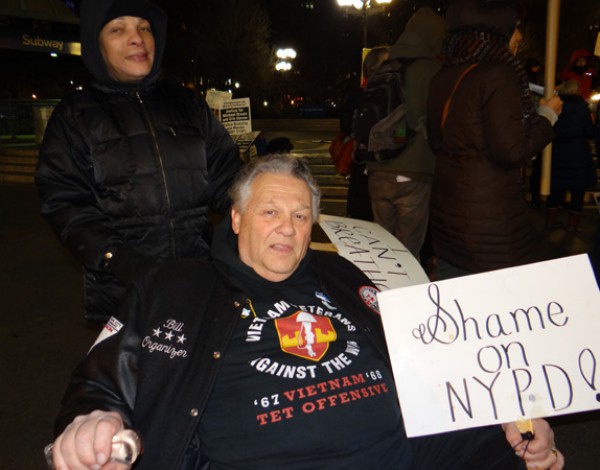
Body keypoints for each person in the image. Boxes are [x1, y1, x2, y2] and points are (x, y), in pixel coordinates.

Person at [47, 154, 564, 470]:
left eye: (300, 216)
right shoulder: (174, 289)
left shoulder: (345, 279)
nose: (287, 228)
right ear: (235, 218)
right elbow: (99, 385)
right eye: (269, 212)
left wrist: (507, 417)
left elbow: (433, 369)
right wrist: (94, 418)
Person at [35, 0, 243, 322]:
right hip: (126, 292)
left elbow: (229, 178)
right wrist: (120, 260)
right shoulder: (75, 116)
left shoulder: (188, 103)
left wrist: (266, 204)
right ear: (96, 44)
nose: (137, 38)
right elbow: (64, 202)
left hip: (200, 280)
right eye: (118, 29)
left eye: (144, 27)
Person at [426, 0, 563, 280]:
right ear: (497, 33)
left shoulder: (444, 76)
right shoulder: (498, 75)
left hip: (448, 219)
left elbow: (437, 141)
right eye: (515, 29)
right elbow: (511, 152)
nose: (520, 38)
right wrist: (547, 117)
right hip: (490, 228)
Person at [366, 7, 445, 263]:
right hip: (414, 171)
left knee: (383, 251)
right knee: (407, 254)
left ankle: (379, 299)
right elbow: (438, 123)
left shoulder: (384, 67)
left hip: (378, 169)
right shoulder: (432, 71)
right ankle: (403, 300)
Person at [345, 45, 390, 221]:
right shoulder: (360, 96)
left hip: (381, 167)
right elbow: (346, 125)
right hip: (364, 166)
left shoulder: (393, 94)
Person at [545, 80, 597, 232]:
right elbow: (589, 131)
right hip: (577, 150)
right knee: (578, 188)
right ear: (576, 92)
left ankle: (550, 220)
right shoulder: (582, 108)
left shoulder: (554, 105)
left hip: (556, 148)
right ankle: (573, 225)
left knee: (554, 185)